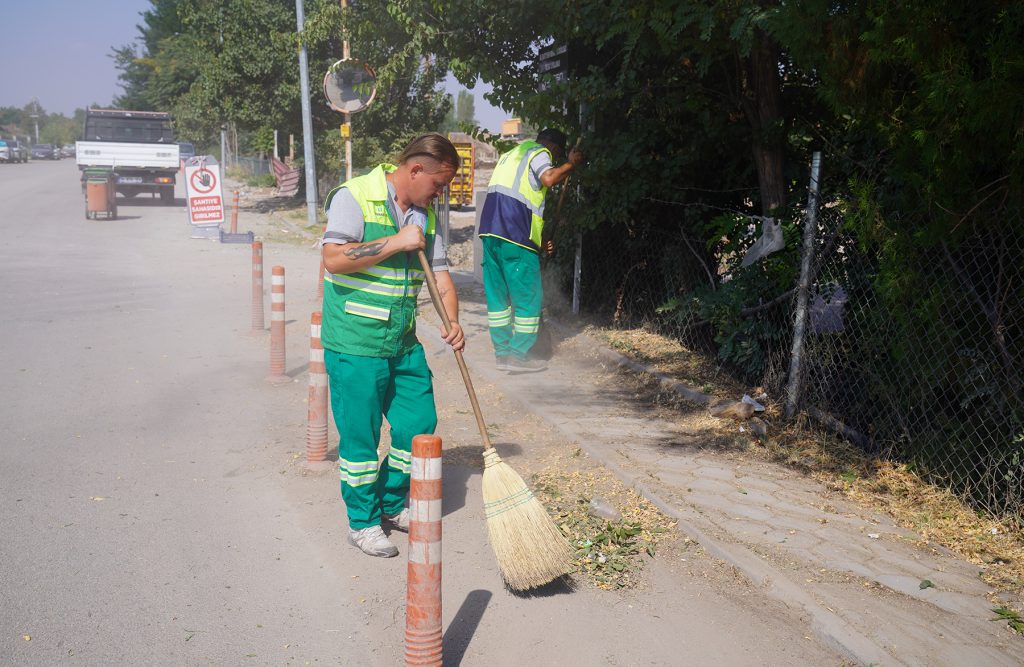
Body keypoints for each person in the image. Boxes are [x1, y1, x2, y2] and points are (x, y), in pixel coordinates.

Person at [320, 133, 464, 558]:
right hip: (355, 342)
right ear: (415, 169)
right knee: (361, 440)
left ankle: (389, 503)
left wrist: (452, 321)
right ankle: (362, 523)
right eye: (438, 184)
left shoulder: (426, 215)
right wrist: (397, 242)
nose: (441, 194)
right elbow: (333, 258)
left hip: (402, 341)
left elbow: (440, 277)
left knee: (418, 422)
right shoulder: (355, 196)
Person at [478, 128, 583, 372]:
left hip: (490, 233)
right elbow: (548, 178)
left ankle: (503, 354)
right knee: (528, 297)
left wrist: (541, 237)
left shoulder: (512, 155)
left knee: (498, 299)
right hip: (514, 235)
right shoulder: (539, 152)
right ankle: (518, 354)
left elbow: (524, 198)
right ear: (554, 147)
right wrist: (570, 164)